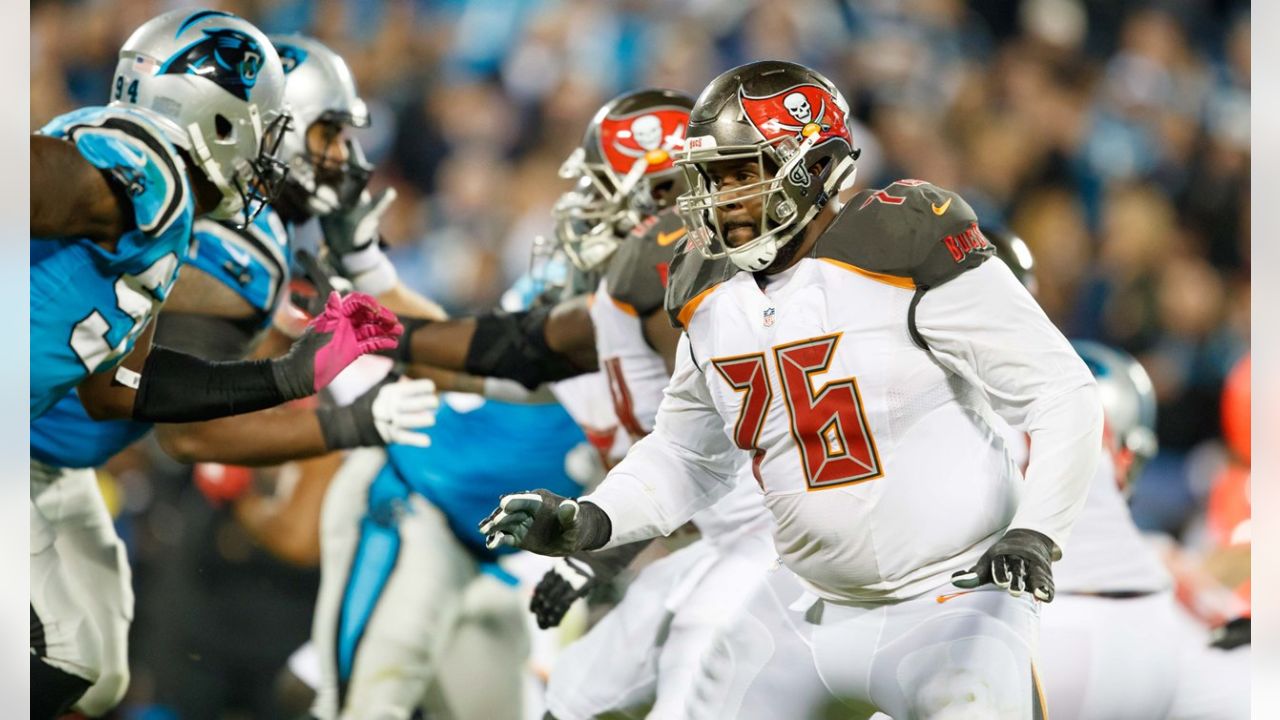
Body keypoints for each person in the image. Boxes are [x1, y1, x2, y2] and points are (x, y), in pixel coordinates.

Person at [483, 60, 1102, 719]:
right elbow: (686, 454)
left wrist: (1036, 531)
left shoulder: (899, 236)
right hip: (807, 602)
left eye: (740, 174)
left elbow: (1061, 390)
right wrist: (589, 520)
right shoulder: (706, 284)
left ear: (811, 164)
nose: (719, 198)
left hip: (956, 596)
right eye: (710, 177)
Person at [29, 21, 413, 718]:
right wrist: (345, 417)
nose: (330, 155)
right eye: (308, 132)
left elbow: (118, 388)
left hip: (45, 455)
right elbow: (190, 437)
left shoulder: (182, 223)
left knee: (91, 666)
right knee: (63, 659)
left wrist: (293, 372)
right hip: (33, 453)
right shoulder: (153, 174)